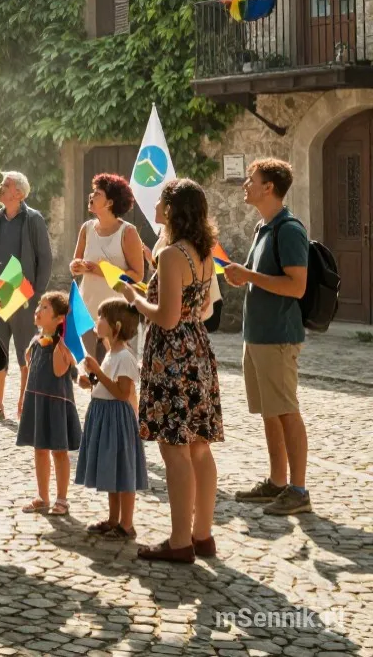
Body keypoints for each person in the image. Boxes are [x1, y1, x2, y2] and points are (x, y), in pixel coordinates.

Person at [122, 179, 223, 563]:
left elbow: (165, 317)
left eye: (162, 202)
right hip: (197, 348)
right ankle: (202, 535)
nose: (156, 207)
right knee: (199, 447)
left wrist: (134, 298)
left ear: (174, 209)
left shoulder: (171, 255)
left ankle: (179, 541)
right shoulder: (202, 251)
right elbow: (196, 308)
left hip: (172, 354)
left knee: (175, 450)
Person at [223, 158, 312, 516]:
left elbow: (297, 286)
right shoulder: (264, 227)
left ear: (269, 187)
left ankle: (299, 490)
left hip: (277, 336)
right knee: (269, 413)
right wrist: (246, 276)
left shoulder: (288, 229)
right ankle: (277, 482)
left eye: (252, 180)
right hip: (257, 336)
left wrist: (249, 276)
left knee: (287, 411)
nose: (246, 185)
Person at [75, 298, 147, 541]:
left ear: (115, 326)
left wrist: (97, 372)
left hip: (117, 419)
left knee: (123, 472)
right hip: (104, 415)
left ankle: (126, 524)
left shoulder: (124, 357)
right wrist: (90, 383)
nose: (97, 321)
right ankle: (113, 519)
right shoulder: (110, 353)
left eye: (101, 317)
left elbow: (122, 392)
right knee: (112, 471)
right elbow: (107, 383)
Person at [0, 171, 53, 421]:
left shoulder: (33, 219)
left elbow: (45, 259)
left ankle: (26, 407)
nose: (1, 187)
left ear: (19, 193)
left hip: (24, 296)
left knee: (27, 353)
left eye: (6, 185)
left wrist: (37, 296)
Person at [16, 292, 81, 516]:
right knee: (39, 449)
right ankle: (43, 496)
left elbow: (59, 370)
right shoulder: (35, 342)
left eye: (45, 308)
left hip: (55, 404)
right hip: (36, 401)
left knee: (58, 451)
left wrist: (61, 342)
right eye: (39, 306)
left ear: (59, 319)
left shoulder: (62, 347)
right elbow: (28, 371)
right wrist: (22, 397)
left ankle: (62, 499)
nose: (38, 310)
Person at [70, 173, 146, 359]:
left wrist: (98, 270)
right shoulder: (86, 228)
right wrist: (76, 266)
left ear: (110, 203)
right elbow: (74, 264)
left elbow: (137, 276)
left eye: (97, 194)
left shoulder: (127, 232)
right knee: (91, 368)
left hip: (116, 312)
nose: (91, 196)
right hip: (87, 308)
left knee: (113, 370)